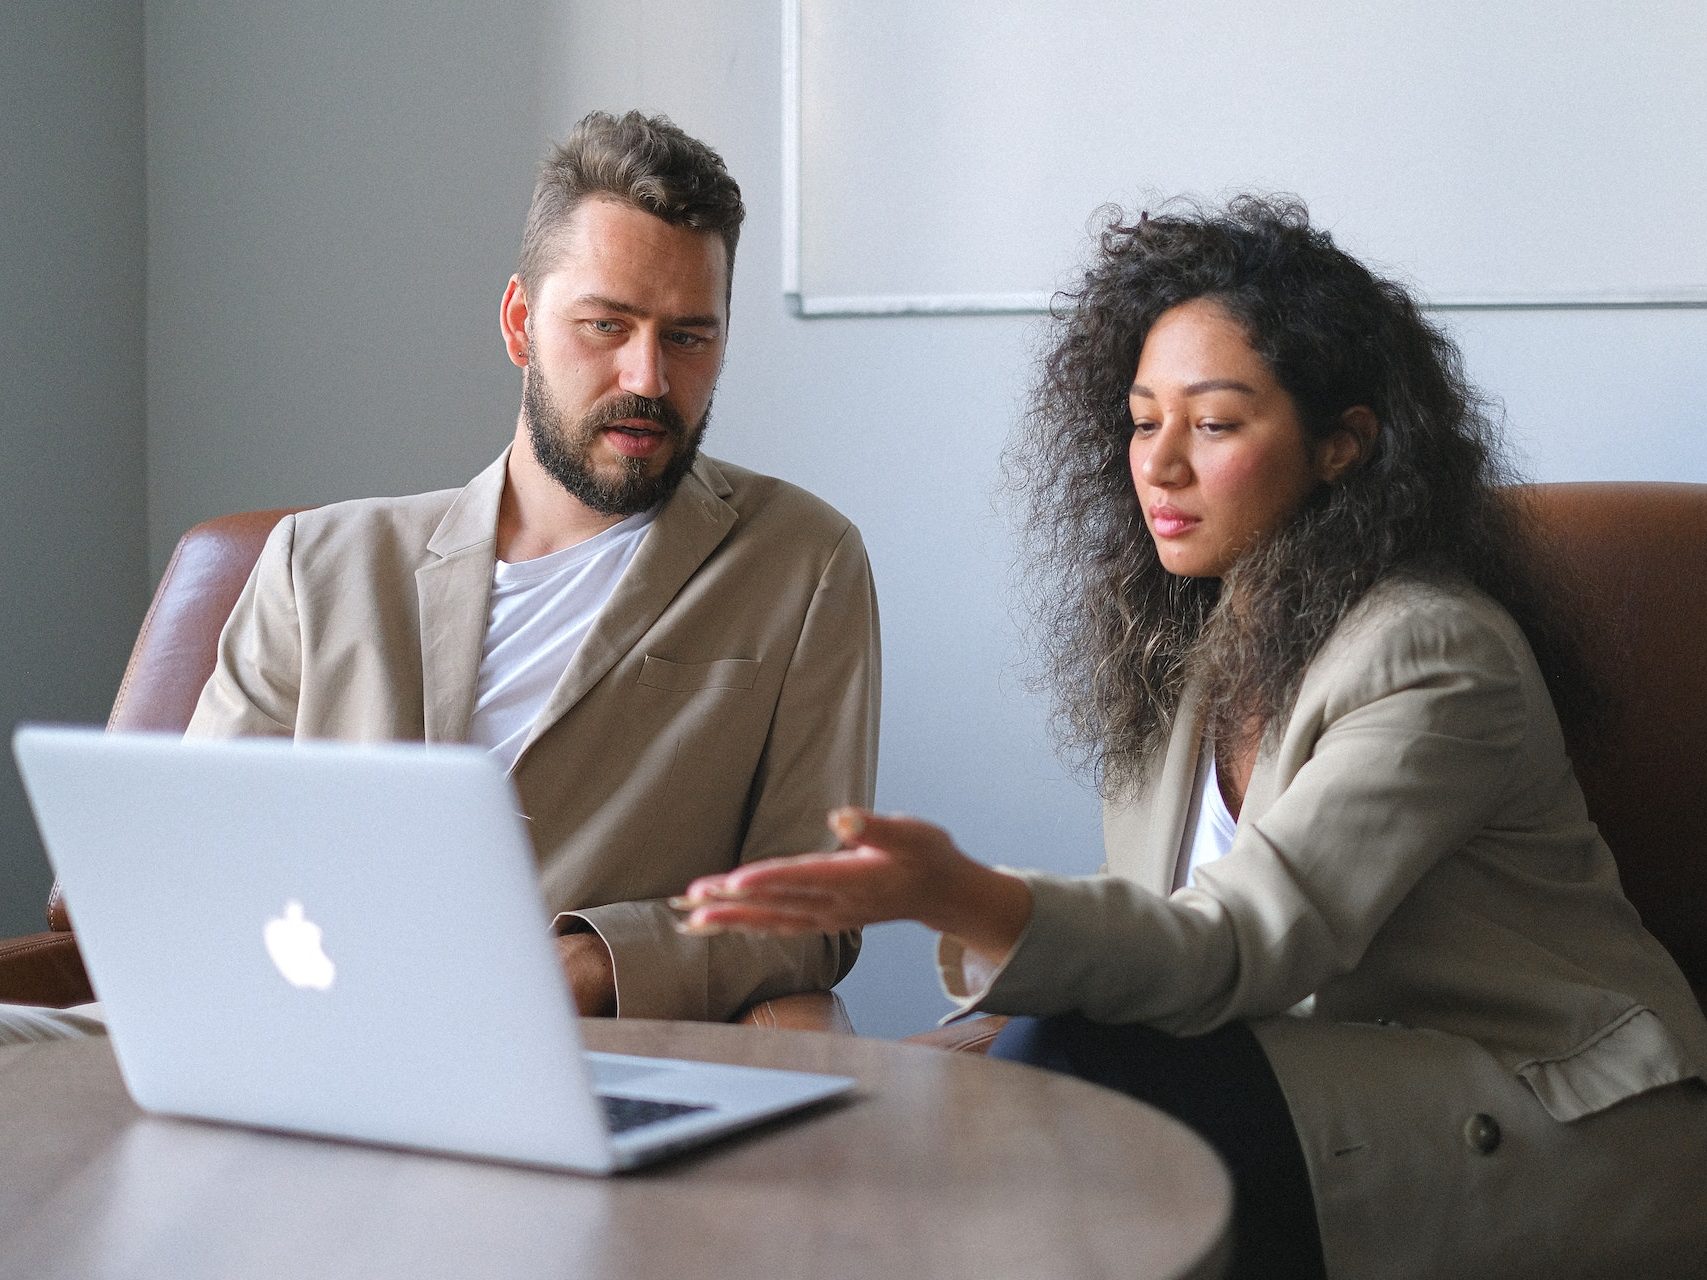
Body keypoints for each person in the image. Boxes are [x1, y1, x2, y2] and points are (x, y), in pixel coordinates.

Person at [676, 197, 1707, 1277]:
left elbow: (1239, 946)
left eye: (1213, 424)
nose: (1158, 464)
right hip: (1319, 1090)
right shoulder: (1185, 652)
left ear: (1341, 446)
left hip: (1553, 1119)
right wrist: (915, 1072)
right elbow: (1151, 959)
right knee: (997, 1098)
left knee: (1085, 1076)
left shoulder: (1434, 654)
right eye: (1141, 418)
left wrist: (958, 892)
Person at [2, 109, 878, 1040]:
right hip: (252, 1020)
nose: (648, 377)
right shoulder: (320, 563)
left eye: (689, 338)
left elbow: (816, 904)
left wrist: (595, 960)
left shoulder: (799, 560)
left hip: (548, 1052)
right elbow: (194, 861)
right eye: (604, 325)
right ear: (519, 323)